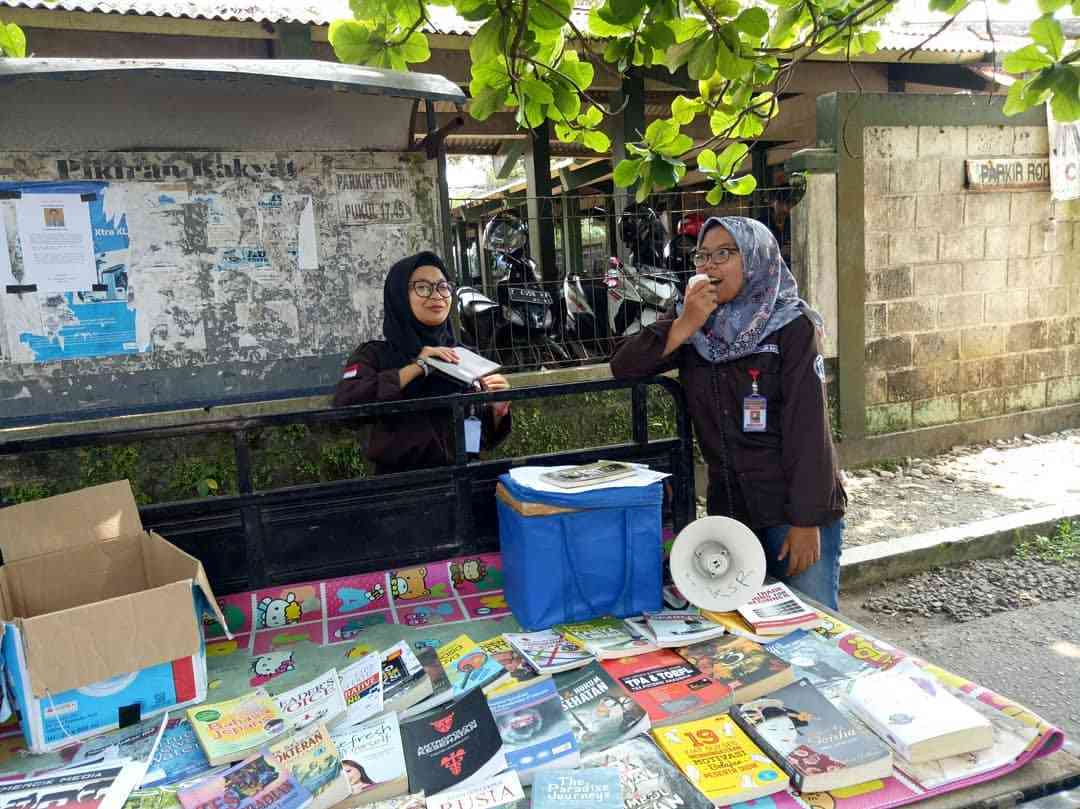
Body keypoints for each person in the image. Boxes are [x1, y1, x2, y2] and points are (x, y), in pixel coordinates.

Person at [611, 216, 846, 609]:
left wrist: (807, 521)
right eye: (703, 256)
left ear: (756, 259)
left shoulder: (791, 327)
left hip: (792, 509)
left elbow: (809, 431)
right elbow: (624, 367)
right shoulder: (698, 329)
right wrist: (685, 322)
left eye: (724, 254)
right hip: (732, 513)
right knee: (746, 635)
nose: (709, 265)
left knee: (809, 627)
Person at [334, 251, 511, 474]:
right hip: (404, 488)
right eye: (423, 287)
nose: (436, 295)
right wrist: (417, 368)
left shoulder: (463, 355)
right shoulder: (376, 355)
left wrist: (497, 411)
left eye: (443, 286)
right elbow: (346, 406)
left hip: (464, 480)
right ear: (399, 296)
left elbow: (481, 439)